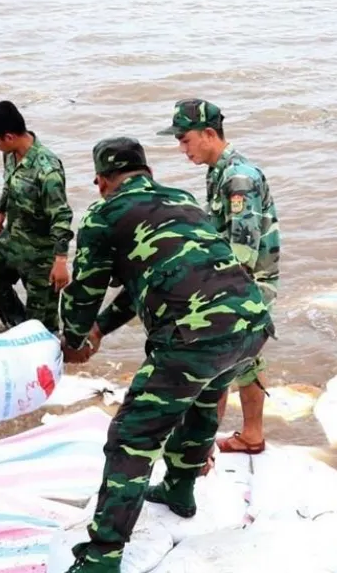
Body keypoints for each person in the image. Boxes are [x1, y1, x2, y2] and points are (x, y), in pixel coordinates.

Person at [57, 137, 274, 573]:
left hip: (192, 339)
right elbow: (146, 281)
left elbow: (85, 293)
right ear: (147, 172)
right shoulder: (182, 199)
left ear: (101, 181)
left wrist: (75, 339)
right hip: (250, 322)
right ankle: (178, 489)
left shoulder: (104, 215)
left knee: (132, 438)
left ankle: (100, 558)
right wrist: (101, 328)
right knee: (199, 406)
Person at [157, 98, 281, 456]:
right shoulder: (219, 172)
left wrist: (215, 297)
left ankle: (201, 448)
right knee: (246, 360)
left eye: (185, 140)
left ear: (209, 134)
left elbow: (243, 248)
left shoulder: (239, 178)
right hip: (237, 281)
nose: (182, 149)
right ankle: (251, 436)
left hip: (246, 283)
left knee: (217, 361)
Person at [0, 100, 74, 332]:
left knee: (43, 327)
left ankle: (41, 350)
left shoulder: (47, 169)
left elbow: (61, 215)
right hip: (13, 238)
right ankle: (17, 329)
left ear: (9, 137)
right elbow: (9, 183)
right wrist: (0, 210)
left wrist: (60, 261)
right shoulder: (10, 154)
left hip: (40, 253)